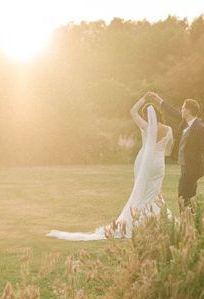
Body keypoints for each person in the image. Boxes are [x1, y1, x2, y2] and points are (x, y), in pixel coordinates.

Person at [47, 94, 173, 241]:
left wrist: (144, 99)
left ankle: (138, 220)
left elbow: (132, 111)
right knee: (155, 191)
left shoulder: (146, 127)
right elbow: (169, 151)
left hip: (143, 162)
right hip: (158, 164)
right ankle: (155, 220)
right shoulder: (169, 130)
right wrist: (158, 151)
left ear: (147, 116)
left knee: (141, 190)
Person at [148, 92, 204, 206]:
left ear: (188, 111)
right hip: (186, 166)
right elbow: (172, 112)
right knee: (187, 198)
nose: (181, 110)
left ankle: (186, 220)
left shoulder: (199, 127)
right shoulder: (186, 122)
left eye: (183, 108)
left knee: (183, 198)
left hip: (193, 168)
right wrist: (159, 100)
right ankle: (189, 220)